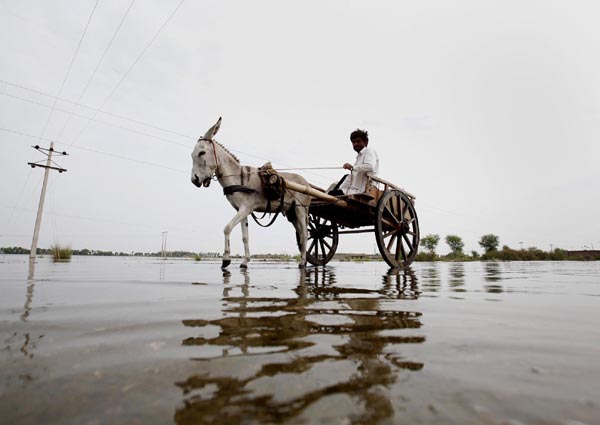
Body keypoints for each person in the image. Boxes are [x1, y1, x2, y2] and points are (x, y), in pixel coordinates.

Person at [329, 129, 379, 195]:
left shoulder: (369, 151)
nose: (355, 144)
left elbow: (370, 166)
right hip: (353, 189)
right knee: (333, 190)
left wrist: (352, 168)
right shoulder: (359, 157)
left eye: (358, 141)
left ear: (365, 142)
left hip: (364, 189)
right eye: (353, 142)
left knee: (332, 194)